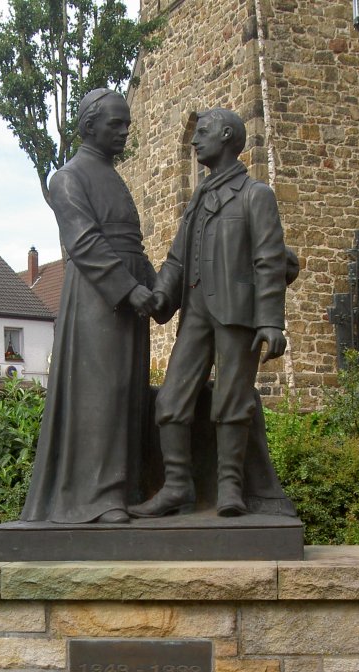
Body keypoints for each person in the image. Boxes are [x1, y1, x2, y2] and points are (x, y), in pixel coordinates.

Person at [131, 108, 291, 518]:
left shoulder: (256, 195)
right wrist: (162, 297)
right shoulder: (198, 200)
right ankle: (177, 487)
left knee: (232, 400)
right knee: (169, 399)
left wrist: (271, 320)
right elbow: (177, 259)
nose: (194, 140)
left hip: (237, 315)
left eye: (202, 133)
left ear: (226, 136)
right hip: (197, 314)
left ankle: (231, 489)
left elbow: (270, 261)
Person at [21, 89, 155, 524]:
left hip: (127, 296)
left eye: (126, 123)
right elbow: (84, 241)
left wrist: (157, 286)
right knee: (104, 392)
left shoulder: (113, 177)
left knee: (129, 391)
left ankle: (126, 488)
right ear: (89, 125)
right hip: (99, 299)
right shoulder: (69, 177)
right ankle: (98, 498)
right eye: (116, 123)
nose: (124, 131)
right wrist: (130, 289)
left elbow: (131, 243)